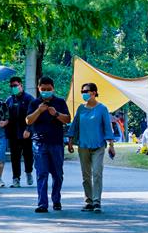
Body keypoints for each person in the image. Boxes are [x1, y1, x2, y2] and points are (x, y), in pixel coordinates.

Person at [67, 82, 115, 213]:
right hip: (83, 145)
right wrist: (70, 140)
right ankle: (88, 201)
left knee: (97, 173)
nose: (84, 93)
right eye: (82, 91)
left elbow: (107, 127)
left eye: (86, 91)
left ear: (94, 92)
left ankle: (97, 201)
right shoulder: (81, 108)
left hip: (98, 145)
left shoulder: (102, 109)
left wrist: (111, 145)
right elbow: (74, 125)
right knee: (86, 175)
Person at [25, 76, 71, 213]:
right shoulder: (34, 103)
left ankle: (56, 200)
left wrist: (55, 113)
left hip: (56, 143)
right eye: (43, 89)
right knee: (42, 173)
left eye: (48, 89)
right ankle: (42, 204)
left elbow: (67, 119)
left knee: (57, 174)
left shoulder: (60, 102)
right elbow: (28, 121)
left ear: (53, 88)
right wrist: (39, 110)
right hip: (39, 143)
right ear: (39, 89)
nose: (45, 91)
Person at [5, 76, 35, 188]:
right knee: (15, 157)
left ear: (21, 85)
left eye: (15, 85)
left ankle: (28, 172)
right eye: (12, 86)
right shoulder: (9, 100)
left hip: (26, 133)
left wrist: (28, 129)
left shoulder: (29, 99)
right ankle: (15, 178)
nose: (14, 88)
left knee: (28, 155)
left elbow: (33, 116)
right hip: (13, 133)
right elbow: (6, 116)